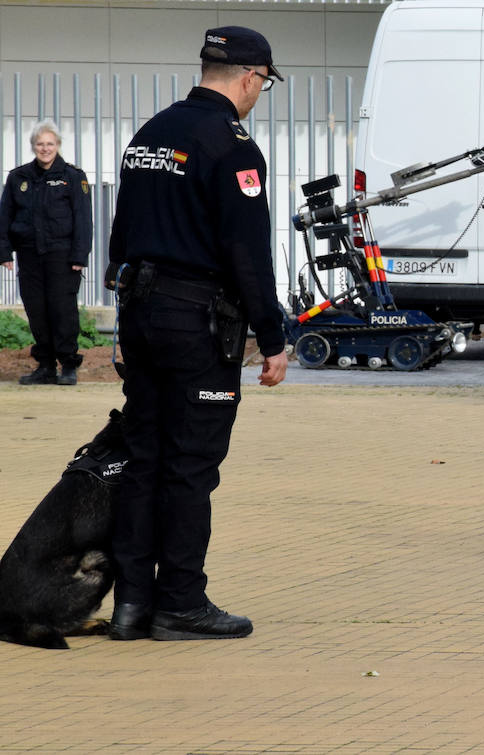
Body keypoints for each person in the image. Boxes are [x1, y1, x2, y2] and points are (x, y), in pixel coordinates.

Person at [103, 26, 288, 641]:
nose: (259, 94)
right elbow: (246, 250)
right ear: (248, 78)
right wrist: (274, 333)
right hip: (198, 323)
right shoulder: (232, 146)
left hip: (141, 311)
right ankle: (180, 602)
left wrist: (130, 306)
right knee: (189, 467)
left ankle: (130, 606)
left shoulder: (151, 132)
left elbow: (121, 233)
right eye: (262, 84)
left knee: (143, 459)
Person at [0, 122, 93, 385]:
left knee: (62, 311)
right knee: (36, 311)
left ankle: (68, 365)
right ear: (33, 146)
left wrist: (79, 256)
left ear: (58, 146)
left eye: (50, 144)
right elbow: (5, 216)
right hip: (29, 255)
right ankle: (45, 365)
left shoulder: (73, 176)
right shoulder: (18, 177)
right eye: (40, 144)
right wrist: (4, 251)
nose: (45, 149)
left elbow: (83, 219)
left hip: (61, 255)